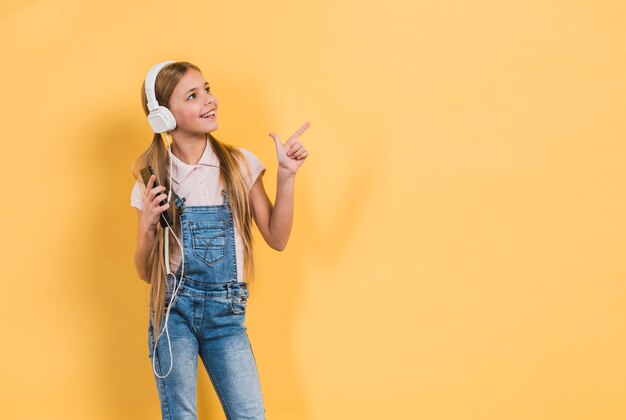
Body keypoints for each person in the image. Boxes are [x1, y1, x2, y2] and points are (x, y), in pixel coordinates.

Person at [129, 60, 310, 419]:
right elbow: (145, 272)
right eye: (193, 96)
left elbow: (277, 237)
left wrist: (286, 177)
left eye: (207, 90)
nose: (209, 100)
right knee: (180, 414)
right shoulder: (153, 176)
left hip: (225, 315)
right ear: (164, 116)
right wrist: (148, 223)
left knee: (249, 414)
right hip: (172, 312)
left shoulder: (239, 164)